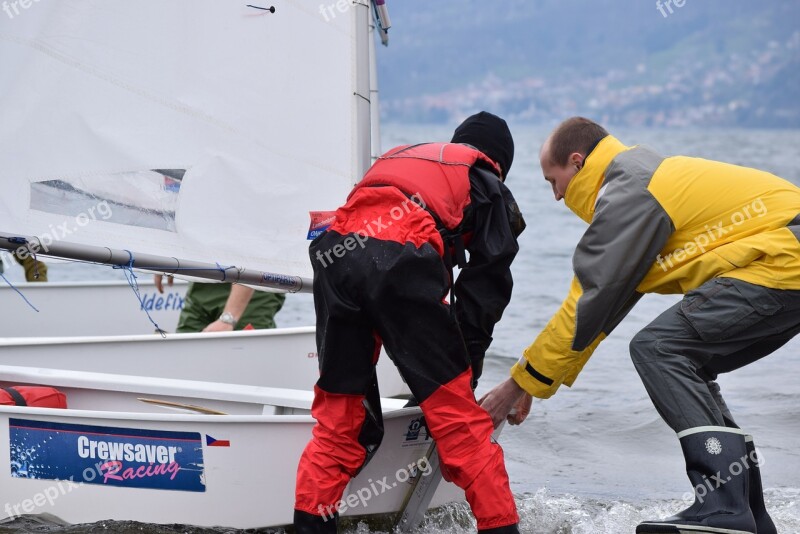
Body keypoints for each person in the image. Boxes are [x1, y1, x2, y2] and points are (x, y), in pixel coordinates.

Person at [481, 117, 800, 534]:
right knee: (689, 361)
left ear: (578, 163)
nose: (556, 197)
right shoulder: (641, 178)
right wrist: (532, 383)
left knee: (659, 348)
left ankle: (724, 508)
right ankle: (749, 513)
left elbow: (587, 303)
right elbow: (601, 310)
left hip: (781, 258)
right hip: (785, 259)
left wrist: (515, 385)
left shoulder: (628, 191)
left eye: (553, 181)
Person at [293, 112, 526, 533]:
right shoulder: (485, 179)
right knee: (460, 426)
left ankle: (311, 526)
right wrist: (464, 369)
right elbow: (487, 285)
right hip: (400, 257)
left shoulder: (406, 159)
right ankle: (502, 526)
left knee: (339, 420)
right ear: (498, 163)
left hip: (335, 258)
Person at [154, 275, 284, 332]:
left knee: (244, 361)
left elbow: (257, 242)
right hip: (204, 281)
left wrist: (229, 318)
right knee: (184, 351)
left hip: (254, 289)